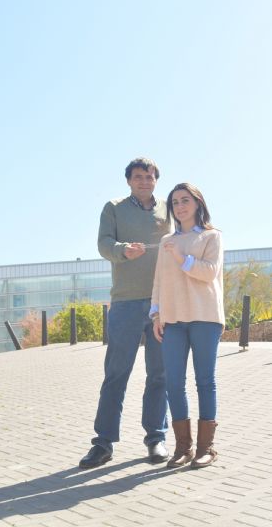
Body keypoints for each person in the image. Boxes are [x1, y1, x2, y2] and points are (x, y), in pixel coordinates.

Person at [79, 157, 172, 469]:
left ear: (156, 180)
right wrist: (122, 250)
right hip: (125, 303)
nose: (144, 181)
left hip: (161, 304)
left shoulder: (168, 209)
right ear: (129, 181)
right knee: (116, 374)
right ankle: (103, 443)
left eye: (149, 176)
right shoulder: (113, 208)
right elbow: (104, 243)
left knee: (159, 374)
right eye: (138, 177)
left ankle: (156, 439)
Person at [151, 183, 224, 469]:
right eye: (175, 202)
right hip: (173, 320)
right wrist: (156, 315)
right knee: (173, 383)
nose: (180, 206)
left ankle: (206, 448)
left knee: (205, 381)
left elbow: (209, 272)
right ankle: (183, 447)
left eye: (185, 200)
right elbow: (158, 281)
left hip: (205, 317)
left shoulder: (212, 236)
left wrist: (181, 258)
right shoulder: (166, 241)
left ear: (197, 203)